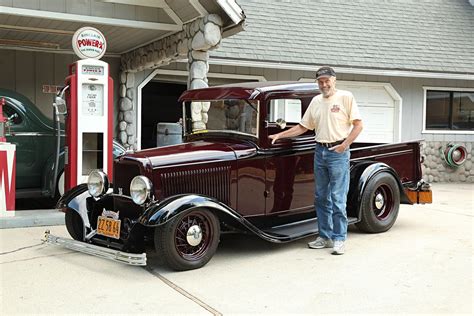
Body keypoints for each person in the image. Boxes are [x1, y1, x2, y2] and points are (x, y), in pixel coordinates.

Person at [269, 66, 363, 255]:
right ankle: (325, 237)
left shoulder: (346, 97)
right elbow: (303, 127)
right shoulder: (316, 101)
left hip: (338, 152)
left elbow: (358, 125)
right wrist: (279, 136)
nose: (324, 84)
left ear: (334, 80)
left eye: (327, 80)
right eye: (320, 81)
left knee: (337, 198)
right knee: (321, 198)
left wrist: (344, 146)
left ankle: (339, 239)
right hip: (320, 151)